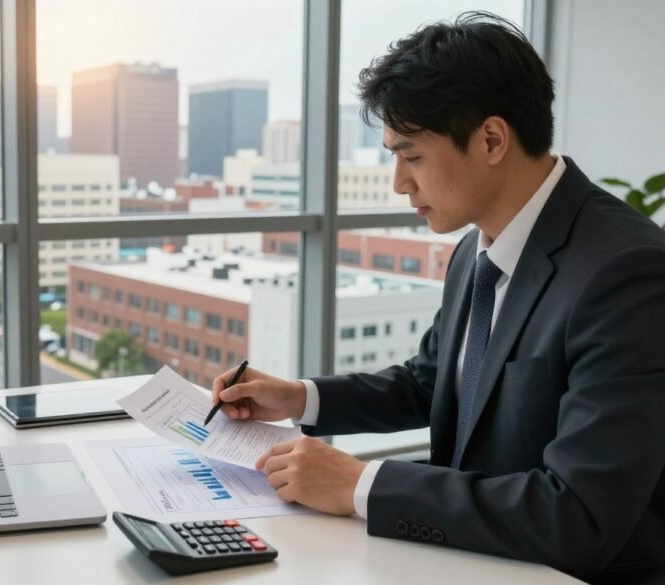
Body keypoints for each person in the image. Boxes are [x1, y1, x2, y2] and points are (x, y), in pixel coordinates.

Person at [211, 12, 665, 584]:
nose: (399, 182)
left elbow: (576, 515)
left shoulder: (627, 273)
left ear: (492, 139)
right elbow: (433, 383)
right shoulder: (477, 247)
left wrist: (362, 484)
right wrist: (297, 398)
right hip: (467, 559)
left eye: (413, 156)